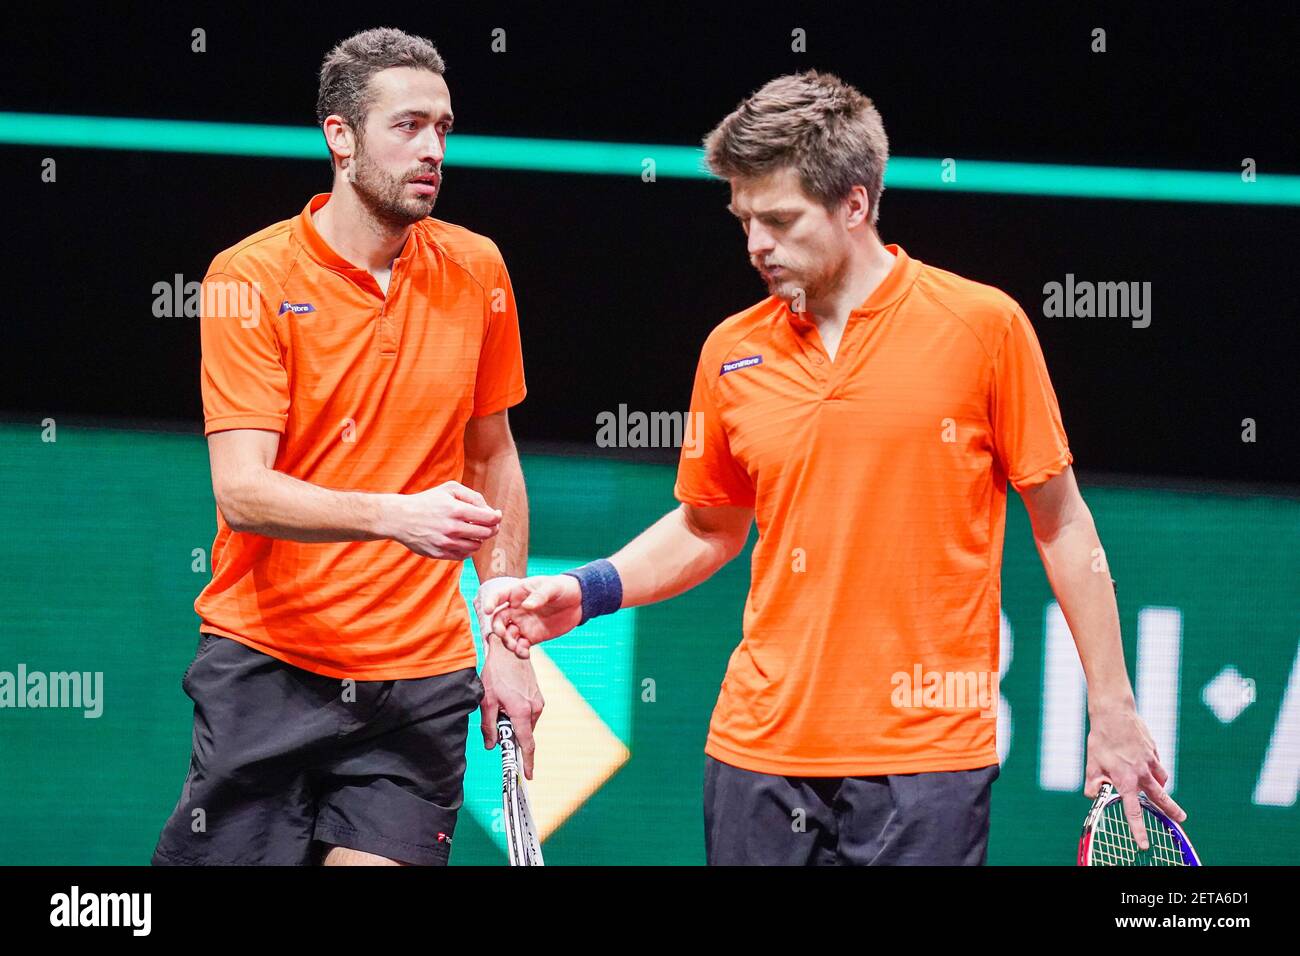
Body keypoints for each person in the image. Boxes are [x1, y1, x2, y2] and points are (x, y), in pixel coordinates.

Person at [476, 70, 1182, 865]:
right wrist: (587, 590)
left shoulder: (984, 328)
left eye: (778, 220)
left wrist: (1114, 708)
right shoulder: (731, 351)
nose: (755, 245)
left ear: (855, 204)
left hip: (928, 760)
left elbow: (1062, 522)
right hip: (757, 753)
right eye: (743, 220)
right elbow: (709, 527)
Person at [153, 27, 542, 867]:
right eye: (407, 126)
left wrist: (508, 644)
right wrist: (396, 517)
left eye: (443, 127)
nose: (433, 148)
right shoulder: (248, 278)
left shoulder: (479, 269)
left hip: (420, 680)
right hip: (267, 666)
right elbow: (243, 492)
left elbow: (492, 459)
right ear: (340, 137)